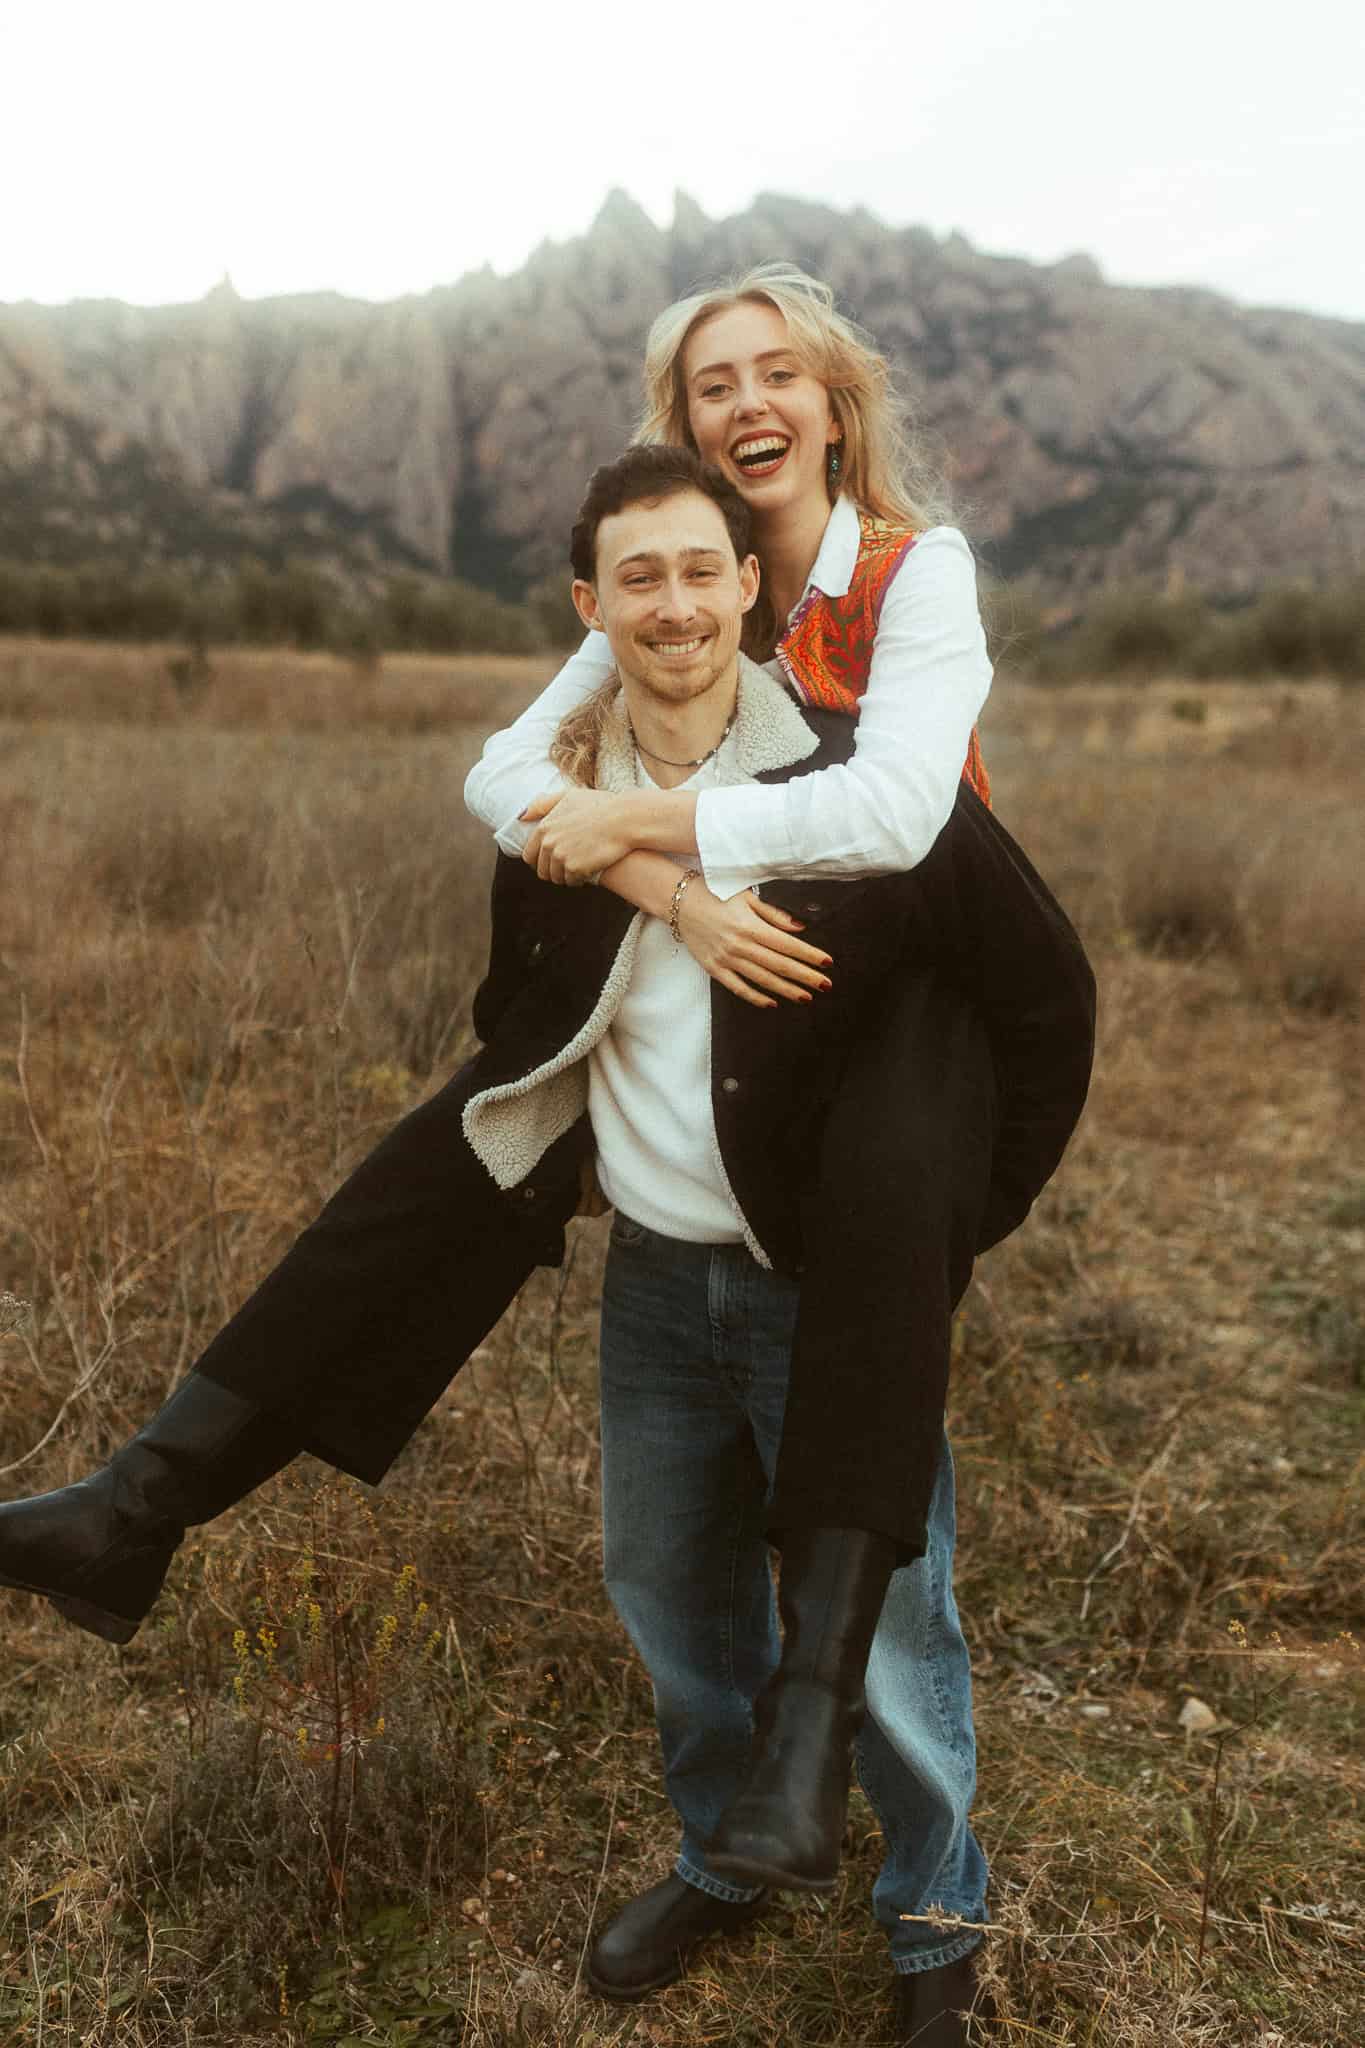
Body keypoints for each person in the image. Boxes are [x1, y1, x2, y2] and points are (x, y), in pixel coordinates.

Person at [463, 446, 1090, 2040]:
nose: (673, 606)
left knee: (888, 1620)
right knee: (673, 1602)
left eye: (702, 571)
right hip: (657, 1286)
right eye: (638, 579)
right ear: (589, 610)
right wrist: (642, 880)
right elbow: (513, 1005)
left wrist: (953, 1221)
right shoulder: (566, 807)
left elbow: (1040, 1008)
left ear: (753, 590)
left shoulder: (858, 803)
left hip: (833, 1290)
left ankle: (933, 1912)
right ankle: (730, 1857)